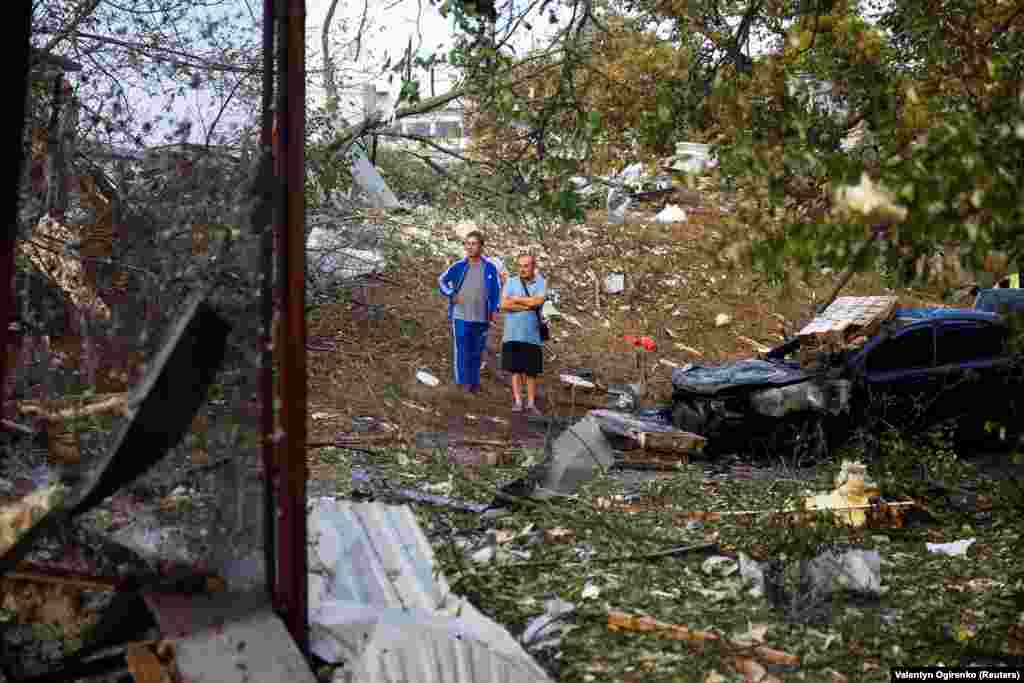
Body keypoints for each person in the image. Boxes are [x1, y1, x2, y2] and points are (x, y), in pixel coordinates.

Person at [438, 231, 502, 393]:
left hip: (482, 317)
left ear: (481, 246)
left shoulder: (490, 268)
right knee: (462, 349)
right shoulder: (459, 266)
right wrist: (451, 294)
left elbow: (495, 291)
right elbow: (442, 281)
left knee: (477, 351)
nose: (470, 247)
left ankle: (474, 383)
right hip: (461, 315)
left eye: (474, 244)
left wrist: (494, 310)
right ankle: (462, 382)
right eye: (467, 244)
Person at [500, 253, 546, 415]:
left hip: (532, 335)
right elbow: (503, 304)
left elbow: (538, 301)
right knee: (515, 370)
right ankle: (518, 401)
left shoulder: (540, 282)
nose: (522, 269)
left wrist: (517, 299)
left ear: (533, 267)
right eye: (520, 266)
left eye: (526, 266)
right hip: (512, 333)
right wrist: (527, 305)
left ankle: (531, 403)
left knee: (531, 372)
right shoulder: (511, 282)